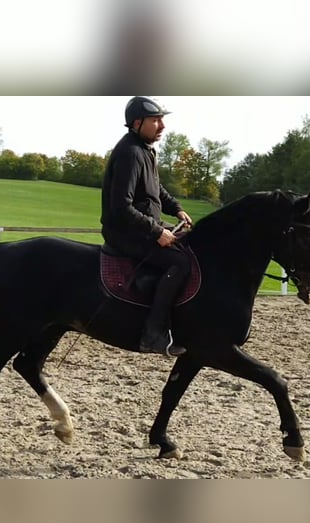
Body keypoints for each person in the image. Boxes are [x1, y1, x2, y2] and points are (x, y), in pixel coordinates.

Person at [101, 96, 193, 357]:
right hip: (126, 234)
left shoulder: (144, 150)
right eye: (156, 120)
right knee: (180, 263)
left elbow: (156, 190)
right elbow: (121, 207)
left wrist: (176, 209)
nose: (162, 126)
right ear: (137, 123)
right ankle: (152, 334)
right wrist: (157, 232)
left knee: (192, 246)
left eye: (162, 120)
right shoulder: (130, 153)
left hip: (144, 226)